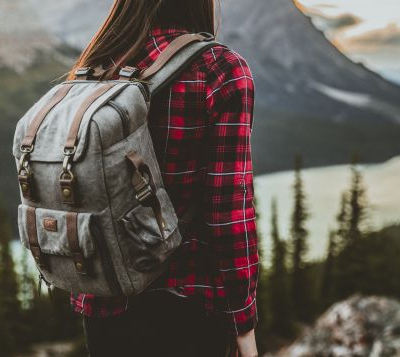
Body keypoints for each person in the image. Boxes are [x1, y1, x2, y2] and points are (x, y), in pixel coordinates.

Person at [67, 1, 259, 356]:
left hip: (105, 305)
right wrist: (243, 322)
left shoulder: (98, 64)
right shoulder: (219, 69)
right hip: (189, 307)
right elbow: (229, 212)